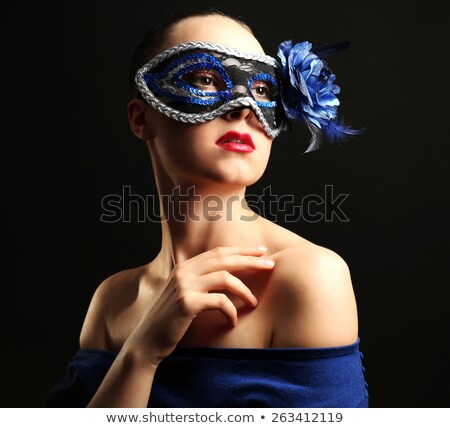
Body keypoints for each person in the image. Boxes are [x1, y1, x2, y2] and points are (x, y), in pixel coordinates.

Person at [46, 9, 368, 408]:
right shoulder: (113, 302)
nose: (244, 108)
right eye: (204, 79)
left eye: (264, 90)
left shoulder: (308, 279)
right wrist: (141, 354)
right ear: (141, 119)